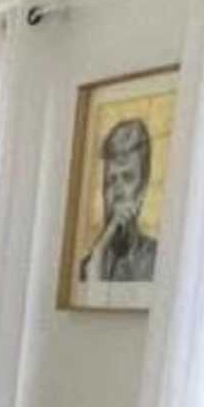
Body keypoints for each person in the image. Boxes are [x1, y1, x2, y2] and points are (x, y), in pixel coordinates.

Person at [84, 114, 157, 288]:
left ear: (143, 188)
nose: (117, 192)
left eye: (127, 178)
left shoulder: (159, 260)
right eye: (110, 181)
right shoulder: (90, 265)